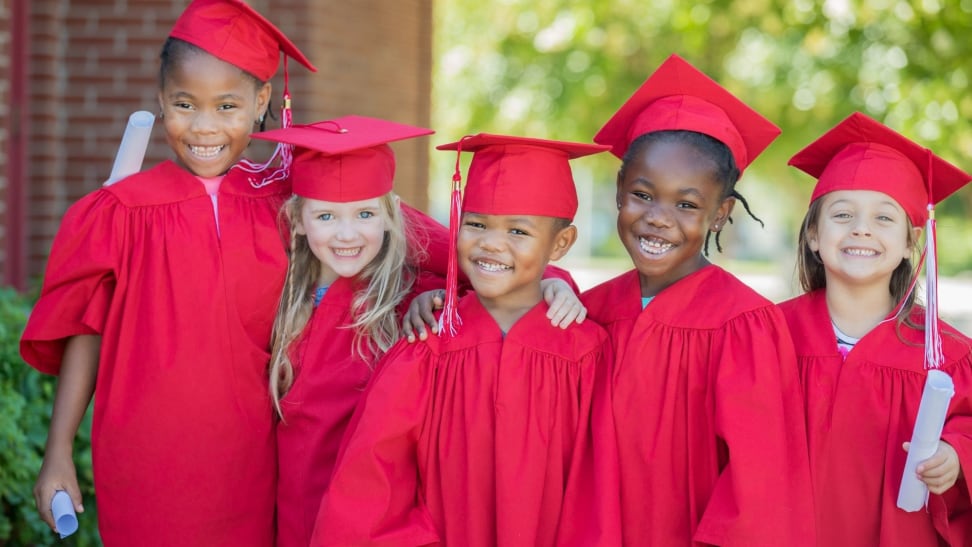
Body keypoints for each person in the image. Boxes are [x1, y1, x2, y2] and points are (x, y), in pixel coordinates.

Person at [20, 0, 315, 544]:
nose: (204, 127)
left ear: (262, 101)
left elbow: (391, 249)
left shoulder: (293, 204)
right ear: (160, 100)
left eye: (227, 106)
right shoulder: (121, 211)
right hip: (149, 462)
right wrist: (58, 451)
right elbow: (89, 329)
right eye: (185, 104)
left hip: (260, 456)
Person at [311, 134, 613, 546]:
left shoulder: (587, 353)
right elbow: (374, 477)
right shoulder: (427, 343)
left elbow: (600, 488)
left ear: (561, 243)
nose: (490, 242)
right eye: (475, 224)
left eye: (519, 231)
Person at [582, 53, 816, 545]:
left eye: (687, 204)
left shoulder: (744, 324)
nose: (659, 218)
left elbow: (758, 486)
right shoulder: (590, 311)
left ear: (719, 213)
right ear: (619, 190)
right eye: (643, 194)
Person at [252, 115, 447, 547]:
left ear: (391, 216)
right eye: (325, 215)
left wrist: (552, 283)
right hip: (297, 518)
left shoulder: (410, 296)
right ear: (298, 221)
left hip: (379, 524)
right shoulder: (277, 295)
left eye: (365, 213)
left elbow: (502, 285)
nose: (346, 234)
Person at [780, 111, 972, 546]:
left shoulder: (947, 355)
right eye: (842, 214)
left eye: (885, 218)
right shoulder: (767, 334)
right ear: (813, 235)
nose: (862, 228)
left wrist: (957, 455)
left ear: (909, 243)